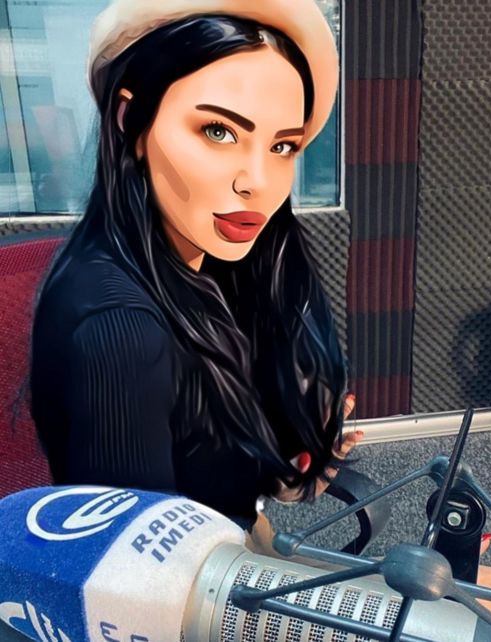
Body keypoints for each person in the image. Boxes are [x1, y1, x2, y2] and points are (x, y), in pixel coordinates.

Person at [30, 0, 359, 536]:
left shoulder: (211, 266)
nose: (257, 182)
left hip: (232, 546)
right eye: (219, 132)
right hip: (201, 579)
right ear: (131, 122)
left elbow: (206, 464)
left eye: (282, 145)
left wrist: (289, 465)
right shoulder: (122, 328)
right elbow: (141, 571)